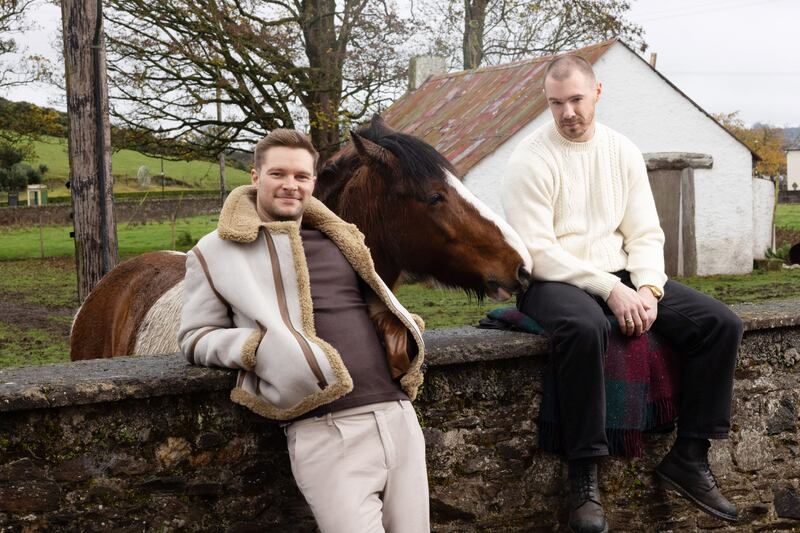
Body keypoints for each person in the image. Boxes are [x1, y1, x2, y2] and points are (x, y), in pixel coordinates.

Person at [501, 55, 743, 533]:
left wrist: (649, 287)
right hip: (552, 280)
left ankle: (690, 457)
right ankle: (584, 474)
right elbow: (536, 250)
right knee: (585, 327)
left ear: (597, 93)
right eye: (556, 103)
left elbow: (645, 234)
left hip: (624, 273)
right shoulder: (529, 158)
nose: (568, 112)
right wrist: (611, 288)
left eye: (576, 100)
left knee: (721, 324)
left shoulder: (622, 151)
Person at [178, 129, 430, 533]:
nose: (290, 185)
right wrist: (259, 349)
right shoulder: (214, 251)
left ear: (313, 182)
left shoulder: (340, 236)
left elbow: (367, 304)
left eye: (301, 176)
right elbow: (194, 337)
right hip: (324, 430)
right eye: (278, 173)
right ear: (256, 176)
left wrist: (399, 323)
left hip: (398, 416)